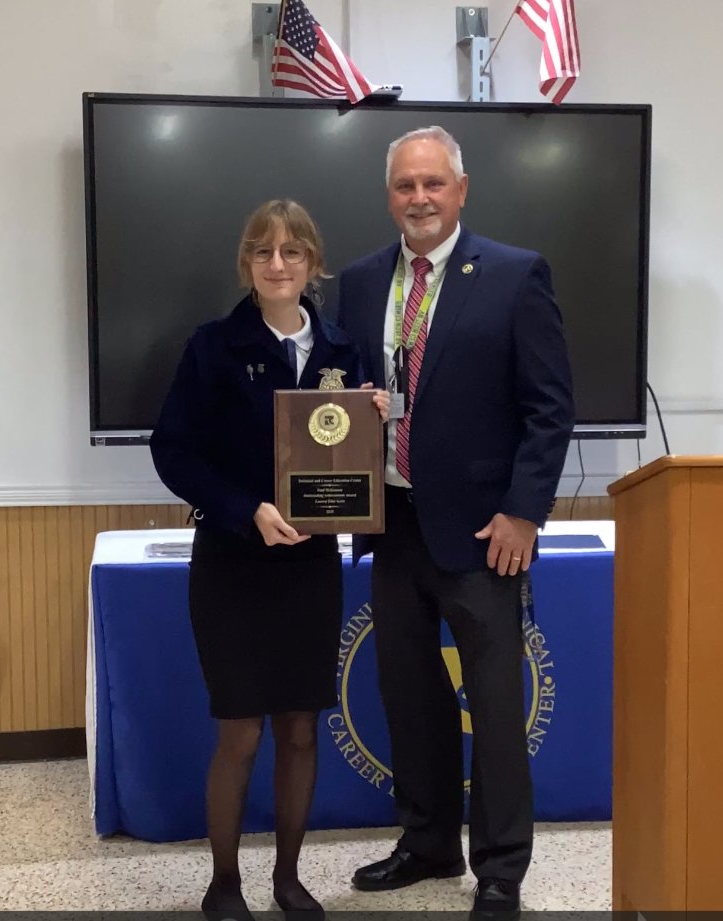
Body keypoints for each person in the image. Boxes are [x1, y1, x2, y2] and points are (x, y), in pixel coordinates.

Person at [337, 126, 574, 918]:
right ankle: (427, 841)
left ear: (461, 190)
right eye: (405, 185)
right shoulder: (365, 281)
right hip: (393, 524)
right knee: (410, 696)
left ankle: (501, 866)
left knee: (497, 706)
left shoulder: (512, 275)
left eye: (433, 183)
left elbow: (549, 409)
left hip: (484, 532)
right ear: (390, 196)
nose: (420, 198)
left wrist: (523, 512)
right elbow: (347, 401)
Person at [150, 199, 389, 920]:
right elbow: (173, 450)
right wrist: (244, 508)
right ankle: (224, 881)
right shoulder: (212, 346)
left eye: (291, 252)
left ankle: (288, 877)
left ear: (313, 263)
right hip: (231, 562)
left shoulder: (346, 352)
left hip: (309, 569)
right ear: (246, 264)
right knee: (242, 728)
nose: (277, 265)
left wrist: (379, 415)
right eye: (263, 253)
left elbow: (356, 460)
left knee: (298, 726)